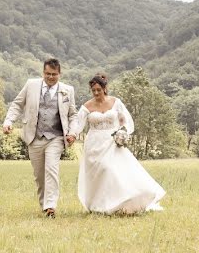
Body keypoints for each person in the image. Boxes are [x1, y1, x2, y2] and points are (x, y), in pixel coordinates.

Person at [66, 73, 166, 214]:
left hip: (112, 142)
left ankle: (121, 202)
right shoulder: (86, 106)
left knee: (112, 170)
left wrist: (122, 132)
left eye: (98, 90)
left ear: (105, 88)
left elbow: (124, 120)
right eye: (93, 90)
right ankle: (100, 205)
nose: (96, 93)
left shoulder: (115, 102)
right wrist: (72, 135)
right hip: (94, 144)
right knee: (100, 175)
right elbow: (78, 124)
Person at [3, 58, 78, 218]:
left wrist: (72, 132)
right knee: (39, 175)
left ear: (60, 74)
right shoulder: (31, 85)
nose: (50, 77)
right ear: (43, 72)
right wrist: (8, 121)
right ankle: (44, 205)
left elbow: (73, 115)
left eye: (54, 74)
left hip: (56, 137)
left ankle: (51, 207)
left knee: (51, 168)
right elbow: (17, 104)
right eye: (47, 74)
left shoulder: (67, 90)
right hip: (34, 136)